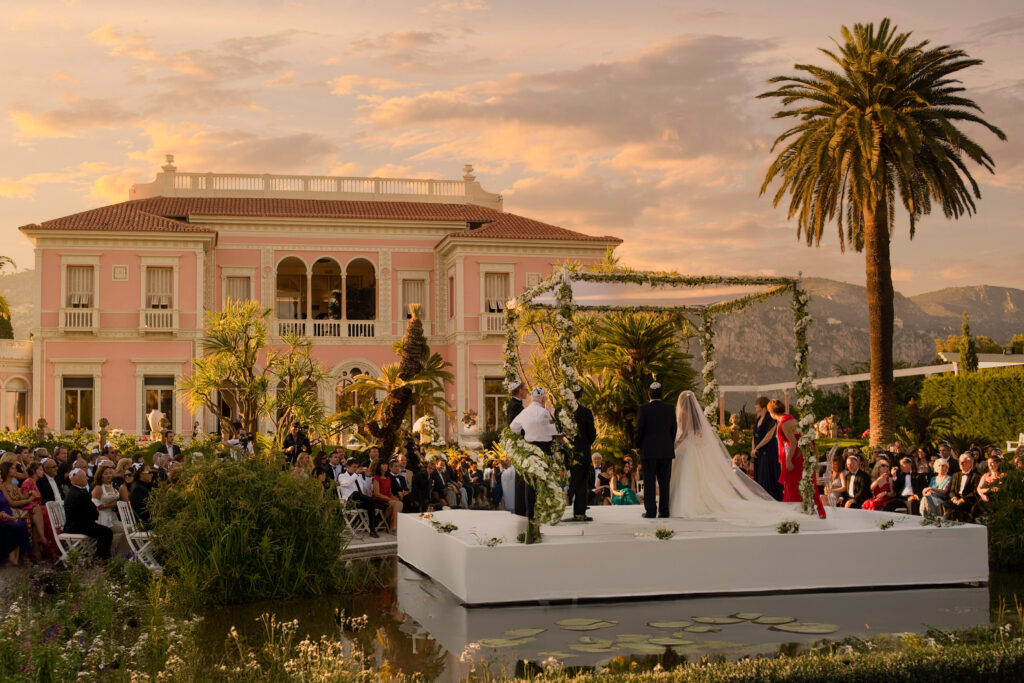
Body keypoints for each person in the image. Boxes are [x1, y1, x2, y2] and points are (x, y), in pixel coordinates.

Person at [509, 387, 561, 518]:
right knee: (544, 481)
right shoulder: (544, 412)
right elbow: (550, 430)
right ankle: (544, 511)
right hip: (544, 450)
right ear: (543, 399)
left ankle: (530, 514)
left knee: (530, 483)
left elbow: (513, 427)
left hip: (529, 449)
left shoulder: (525, 412)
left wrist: (526, 432)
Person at [634, 382, 676, 519]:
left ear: (649, 393)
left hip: (649, 452)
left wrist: (637, 446)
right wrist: (669, 444)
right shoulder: (670, 408)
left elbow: (639, 429)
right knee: (664, 483)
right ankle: (664, 511)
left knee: (649, 482)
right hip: (665, 451)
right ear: (662, 394)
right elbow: (673, 430)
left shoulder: (644, 409)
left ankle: (651, 511)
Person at [64, 467, 112, 559]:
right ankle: (100, 558)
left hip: (74, 524)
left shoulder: (74, 491)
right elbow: (91, 511)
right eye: (84, 477)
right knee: (106, 532)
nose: (86, 479)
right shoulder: (80, 493)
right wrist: (96, 513)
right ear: (76, 480)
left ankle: (100, 556)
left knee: (104, 530)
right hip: (77, 526)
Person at [566, 386, 596, 521]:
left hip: (567, 452)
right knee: (582, 483)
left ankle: (569, 503)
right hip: (583, 452)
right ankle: (579, 512)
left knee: (572, 479)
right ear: (581, 395)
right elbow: (592, 434)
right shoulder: (586, 412)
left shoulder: (563, 411)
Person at [766, 399, 803, 503]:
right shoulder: (789, 418)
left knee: (792, 484)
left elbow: (794, 442)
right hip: (797, 453)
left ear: (772, 413)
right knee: (793, 484)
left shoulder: (784, 423)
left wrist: (788, 460)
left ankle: (794, 507)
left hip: (795, 455)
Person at [337, 458, 378, 538]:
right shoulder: (342, 476)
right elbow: (346, 484)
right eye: (354, 467)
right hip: (349, 502)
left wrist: (368, 477)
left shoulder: (358, 477)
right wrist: (356, 475)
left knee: (370, 502)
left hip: (359, 501)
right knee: (355, 493)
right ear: (348, 467)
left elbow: (366, 490)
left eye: (357, 467)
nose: (356, 469)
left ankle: (372, 529)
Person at [751, 396, 783, 500]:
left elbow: (769, 436)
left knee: (767, 474)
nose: (755, 406)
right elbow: (754, 435)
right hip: (759, 452)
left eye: (757, 404)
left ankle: (771, 497)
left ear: (762, 406)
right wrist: (753, 449)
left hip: (769, 450)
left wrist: (757, 447)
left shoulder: (770, 418)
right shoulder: (758, 419)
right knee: (760, 475)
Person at [945, 453, 980, 522]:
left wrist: (963, 500)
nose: (960, 464)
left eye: (963, 462)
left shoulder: (976, 476)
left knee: (954, 508)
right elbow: (952, 491)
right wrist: (954, 498)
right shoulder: (956, 475)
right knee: (943, 505)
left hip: (968, 500)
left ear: (970, 463)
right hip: (956, 499)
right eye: (959, 462)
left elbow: (975, 492)